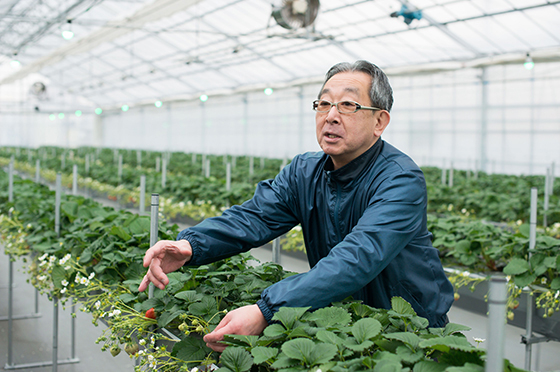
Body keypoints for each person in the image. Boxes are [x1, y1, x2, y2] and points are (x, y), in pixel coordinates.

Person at [138, 60, 454, 352]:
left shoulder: (400, 179)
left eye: (348, 105)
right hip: (341, 320)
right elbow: (254, 217)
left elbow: (359, 256)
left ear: (379, 121)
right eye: (324, 104)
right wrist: (191, 245)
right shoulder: (305, 172)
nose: (331, 115)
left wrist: (267, 310)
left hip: (408, 328)